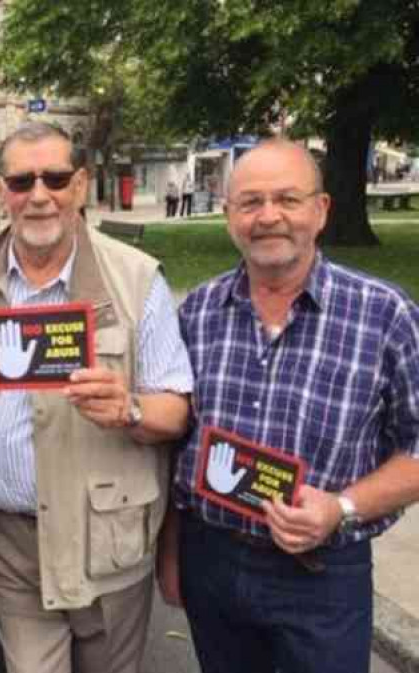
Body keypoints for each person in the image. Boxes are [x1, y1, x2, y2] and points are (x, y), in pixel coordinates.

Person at [0, 121, 193, 673]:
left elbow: (176, 409)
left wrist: (128, 409)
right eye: (21, 180)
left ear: (79, 185)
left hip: (106, 541)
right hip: (6, 541)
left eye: (55, 179)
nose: (39, 196)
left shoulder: (135, 277)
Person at [162, 139, 419, 673]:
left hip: (321, 571)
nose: (268, 216)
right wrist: (173, 554)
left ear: (321, 210)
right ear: (229, 215)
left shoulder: (385, 315)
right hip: (212, 559)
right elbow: (175, 446)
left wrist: (340, 508)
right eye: (250, 202)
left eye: (288, 199)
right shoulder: (197, 312)